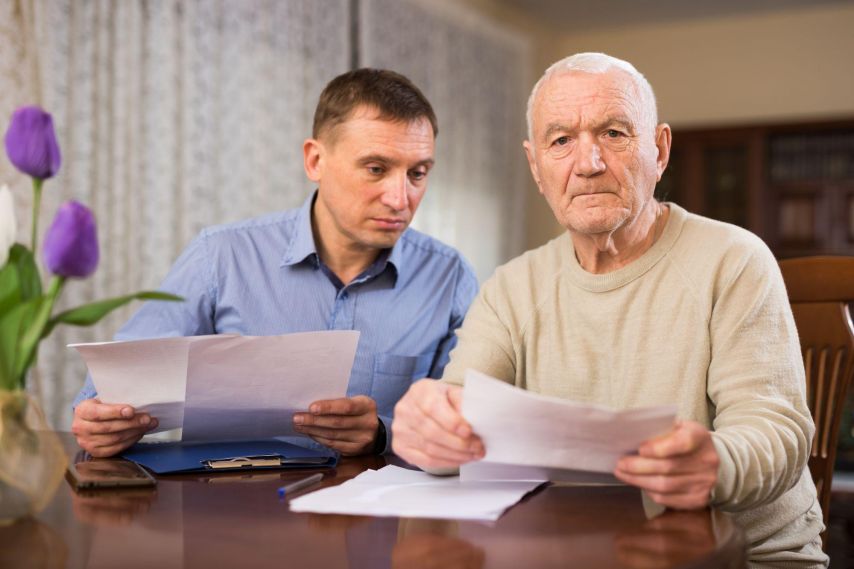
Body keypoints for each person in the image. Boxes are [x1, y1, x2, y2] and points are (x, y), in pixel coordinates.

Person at [392, 53, 827, 566]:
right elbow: (456, 410)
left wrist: (717, 461)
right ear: (536, 166)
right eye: (561, 141)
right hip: (570, 551)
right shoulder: (511, 287)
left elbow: (776, 431)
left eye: (614, 133)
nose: (589, 163)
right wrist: (430, 431)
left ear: (660, 149)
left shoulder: (735, 260)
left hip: (739, 557)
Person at [72, 69, 478, 459]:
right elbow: (111, 390)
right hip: (235, 510)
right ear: (315, 160)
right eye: (376, 169)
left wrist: (380, 434)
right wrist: (99, 419)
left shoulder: (450, 278)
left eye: (418, 173)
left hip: (376, 518)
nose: (399, 197)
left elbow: (466, 425)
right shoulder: (221, 257)